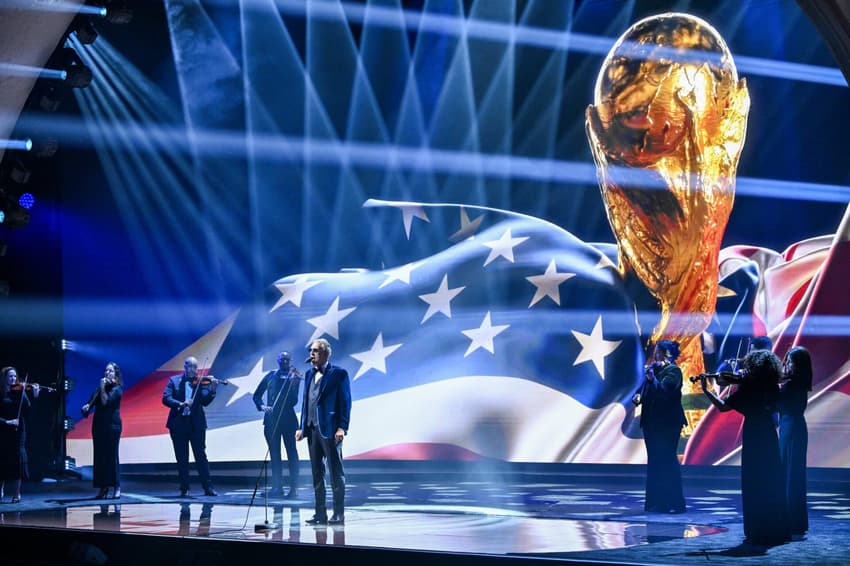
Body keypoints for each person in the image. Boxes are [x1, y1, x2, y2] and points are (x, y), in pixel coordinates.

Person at [700, 349, 790, 545]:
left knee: (753, 481)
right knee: (771, 479)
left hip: (753, 434)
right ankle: (776, 528)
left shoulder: (748, 390)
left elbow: (723, 406)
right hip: (768, 433)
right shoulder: (772, 387)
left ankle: (757, 529)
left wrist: (707, 390)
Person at [295, 339, 351, 525]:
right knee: (317, 474)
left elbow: (345, 402)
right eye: (310, 350)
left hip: (330, 429)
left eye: (316, 351)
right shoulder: (309, 374)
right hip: (312, 429)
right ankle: (320, 514)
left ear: (326, 353)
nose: (311, 354)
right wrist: (302, 427)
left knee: (335, 473)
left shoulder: (339, 374)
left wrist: (342, 427)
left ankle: (338, 514)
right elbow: (306, 402)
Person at [631, 340, 687, 513]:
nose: (655, 355)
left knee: (667, 460)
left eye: (659, 352)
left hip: (668, 423)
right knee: (655, 461)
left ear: (667, 354)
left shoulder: (673, 371)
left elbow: (664, 391)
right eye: (656, 352)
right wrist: (638, 396)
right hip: (652, 422)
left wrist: (652, 379)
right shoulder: (653, 371)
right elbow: (644, 390)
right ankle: (656, 503)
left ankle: (675, 503)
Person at [162, 356, 219, 497]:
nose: (193, 370)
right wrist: (180, 404)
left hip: (196, 425)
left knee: (201, 457)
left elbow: (204, 402)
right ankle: (184, 488)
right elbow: (166, 398)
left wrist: (212, 390)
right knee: (182, 458)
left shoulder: (200, 382)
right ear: (185, 367)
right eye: (190, 366)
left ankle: (208, 488)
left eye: (195, 367)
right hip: (178, 425)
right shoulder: (174, 381)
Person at [253, 351, 302, 498]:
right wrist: (262, 406)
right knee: (274, 455)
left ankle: (294, 488)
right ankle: (277, 488)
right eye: (282, 359)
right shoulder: (270, 376)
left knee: (291, 453)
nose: (285, 362)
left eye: (287, 359)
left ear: (290, 361)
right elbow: (257, 395)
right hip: (272, 420)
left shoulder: (294, 377)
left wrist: (294, 384)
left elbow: (294, 401)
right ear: (278, 360)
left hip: (288, 420)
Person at [779, 346, 812, 537]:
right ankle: (795, 520)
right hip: (792, 427)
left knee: (791, 474)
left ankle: (791, 520)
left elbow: (775, 403)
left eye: (790, 362)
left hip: (791, 428)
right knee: (792, 474)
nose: (787, 365)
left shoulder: (793, 384)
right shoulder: (797, 382)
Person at [81, 362, 123, 499]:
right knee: (100, 456)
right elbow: (91, 403)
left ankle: (116, 486)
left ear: (115, 374)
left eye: (110, 371)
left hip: (112, 426)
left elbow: (105, 402)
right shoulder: (99, 389)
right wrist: (86, 407)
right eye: (106, 370)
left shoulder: (117, 389)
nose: (107, 373)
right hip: (99, 425)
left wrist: (103, 388)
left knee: (112, 456)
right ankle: (103, 488)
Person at [0, 367, 40, 503]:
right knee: (2, 459)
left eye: (14, 376)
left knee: (18, 460)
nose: (13, 379)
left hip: (18, 430)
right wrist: (7, 422)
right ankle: (1, 490)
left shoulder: (20, 392)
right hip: (3, 429)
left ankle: (17, 493)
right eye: (10, 376)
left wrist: (35, 396)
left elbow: (30, 412)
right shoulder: (1, 393)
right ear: (4, 378)